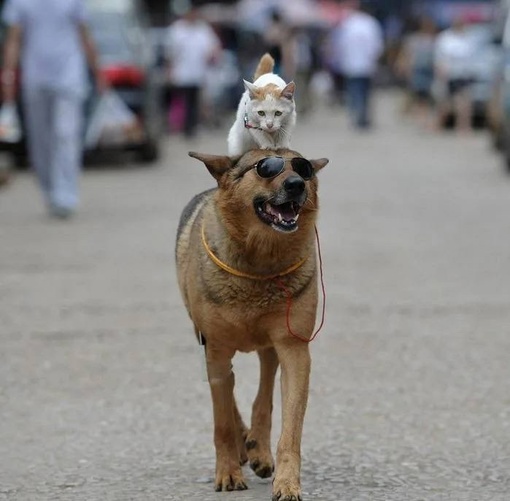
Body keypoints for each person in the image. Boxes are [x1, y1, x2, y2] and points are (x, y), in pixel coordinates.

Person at [1, 0, 105, 219]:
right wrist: (8, 76)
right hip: (35, 79)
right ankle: (50, 192)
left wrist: (98, 72)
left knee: (65, 134)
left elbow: (84, 34)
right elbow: (14, 39)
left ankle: (66, 196)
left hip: (69, 77)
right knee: (41, 141)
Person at [165, 5, 222, 138]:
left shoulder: (203, 29)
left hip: (198, 73)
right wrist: (169, 70)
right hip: (182, 73)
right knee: (183, 101)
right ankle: (183, 127)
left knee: (194, 102)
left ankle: (191, 128)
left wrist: (213, 55)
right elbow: (170, 53)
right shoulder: (176, 30)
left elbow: (214, 47)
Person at [334, 2, 384, 129]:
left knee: (353, 91)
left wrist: (341, 61)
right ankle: (363, 117)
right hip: (367, 64)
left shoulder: (348, 23)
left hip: (351, 64)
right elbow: (377, 45)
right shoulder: (371, 23)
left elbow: (340, 44)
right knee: (365, 92)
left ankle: (356, 116)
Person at [433, 17, 477, 132]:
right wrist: (440, 72)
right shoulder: (445, 38)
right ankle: (438, 124)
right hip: (449, 75)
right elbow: (440, 57)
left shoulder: (468, 38)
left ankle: (463, 126)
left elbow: (471, 57)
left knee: (464, 103)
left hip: (463, 75)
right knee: (445, 103)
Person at [397, 16, 437, 126]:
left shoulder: (433, 40)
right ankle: (420, 117)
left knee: (426, 95)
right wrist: (404, 67)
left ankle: (422, 116)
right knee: (418, 94)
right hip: (417, 71)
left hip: (428, 72)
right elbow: (407, 54)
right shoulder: (414, 40)